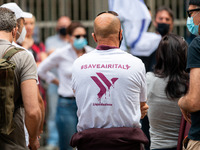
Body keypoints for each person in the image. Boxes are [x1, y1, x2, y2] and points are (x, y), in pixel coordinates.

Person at [70, 11, 149, 150]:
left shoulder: (78, 64)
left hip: (89, 143)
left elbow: (80, 98)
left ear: (94, 37)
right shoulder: (136, 64)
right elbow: (142, 106)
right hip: (127, 144)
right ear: (120, 34)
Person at [38, 22, 93, 150]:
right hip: (66, 104)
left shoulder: (92, 53)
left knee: (88, 144)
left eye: (83, 36)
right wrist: (56, 81)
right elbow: (41, 70)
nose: (81, 39)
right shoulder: (61, 53)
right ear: (69, 37)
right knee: (67, 144)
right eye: (77, 36)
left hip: (88, 104)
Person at [1, 2, 45, 148]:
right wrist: (33, 140)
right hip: (12, 140)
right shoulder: (23, 56)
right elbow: (33, 110)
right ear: (15, 30)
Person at [147, 34, 189, 150]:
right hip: (184, 145)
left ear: (160, 55)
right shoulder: (190, 83)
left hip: (157, 146)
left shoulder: (149, 80)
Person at [44, 16, 71, 149]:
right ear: (56, 27)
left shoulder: (74, 40)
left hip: (71, 85)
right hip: (55, 82)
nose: (63, 28)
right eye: (61, 25)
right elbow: (49, 54)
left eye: (66, 25)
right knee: (53, 113)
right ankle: (52, 141)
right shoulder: (51, 40)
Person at [178, 0, 200, 149]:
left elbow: (194, 101)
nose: (190, 19)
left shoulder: (197, 45)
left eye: (191, 13)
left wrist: (181, 102)